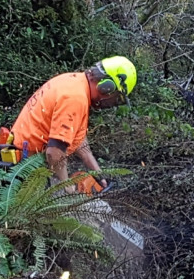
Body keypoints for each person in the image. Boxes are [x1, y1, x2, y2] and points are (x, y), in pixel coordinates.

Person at [9, 56, 137, 192]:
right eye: (116, 99)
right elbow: (54, 152)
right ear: (107, 87)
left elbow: (75, 135)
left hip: (27, 163)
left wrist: (98, 174)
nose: (112, 104)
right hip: (23, 170)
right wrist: (67, 187)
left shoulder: (76, 83)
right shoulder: (75, 98)